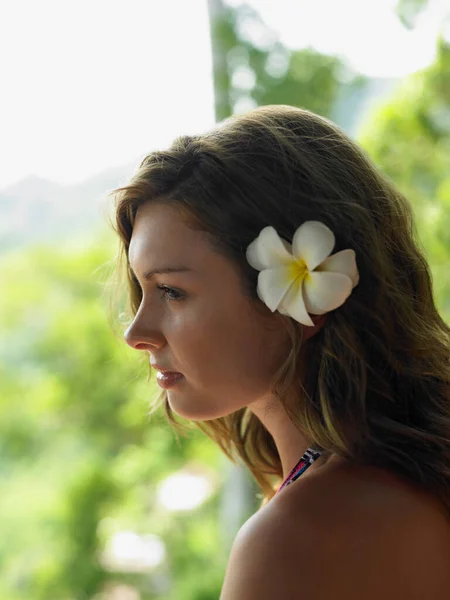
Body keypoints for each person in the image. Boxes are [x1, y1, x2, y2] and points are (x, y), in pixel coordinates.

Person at [109, 105, 450, 598]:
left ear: (300, 299)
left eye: (172, 292)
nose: (137, 333)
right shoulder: (412, 481)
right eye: (143, 293)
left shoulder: (302, 536)